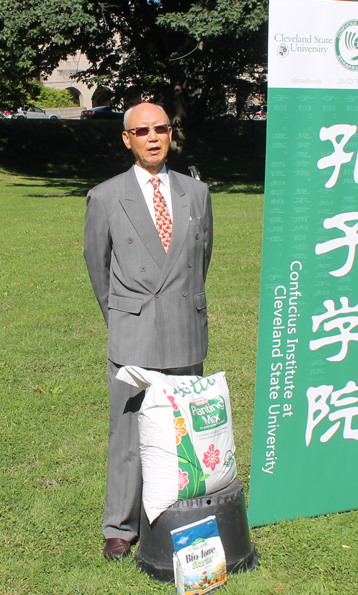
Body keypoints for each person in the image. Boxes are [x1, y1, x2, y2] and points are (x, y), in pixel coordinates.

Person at [84, 102, 213, 559]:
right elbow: (98, 267)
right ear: (127, 139)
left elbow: (201, 261)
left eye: (161, 128)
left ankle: (183, 512)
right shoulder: (105, 196)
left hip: (184, 327)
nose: (153, 137)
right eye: (142, 131)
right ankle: (119, 525)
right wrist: (123, 315)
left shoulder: (196, 193)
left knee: (186, 431)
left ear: (171, 133)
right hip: (132, 331)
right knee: (128, 434)